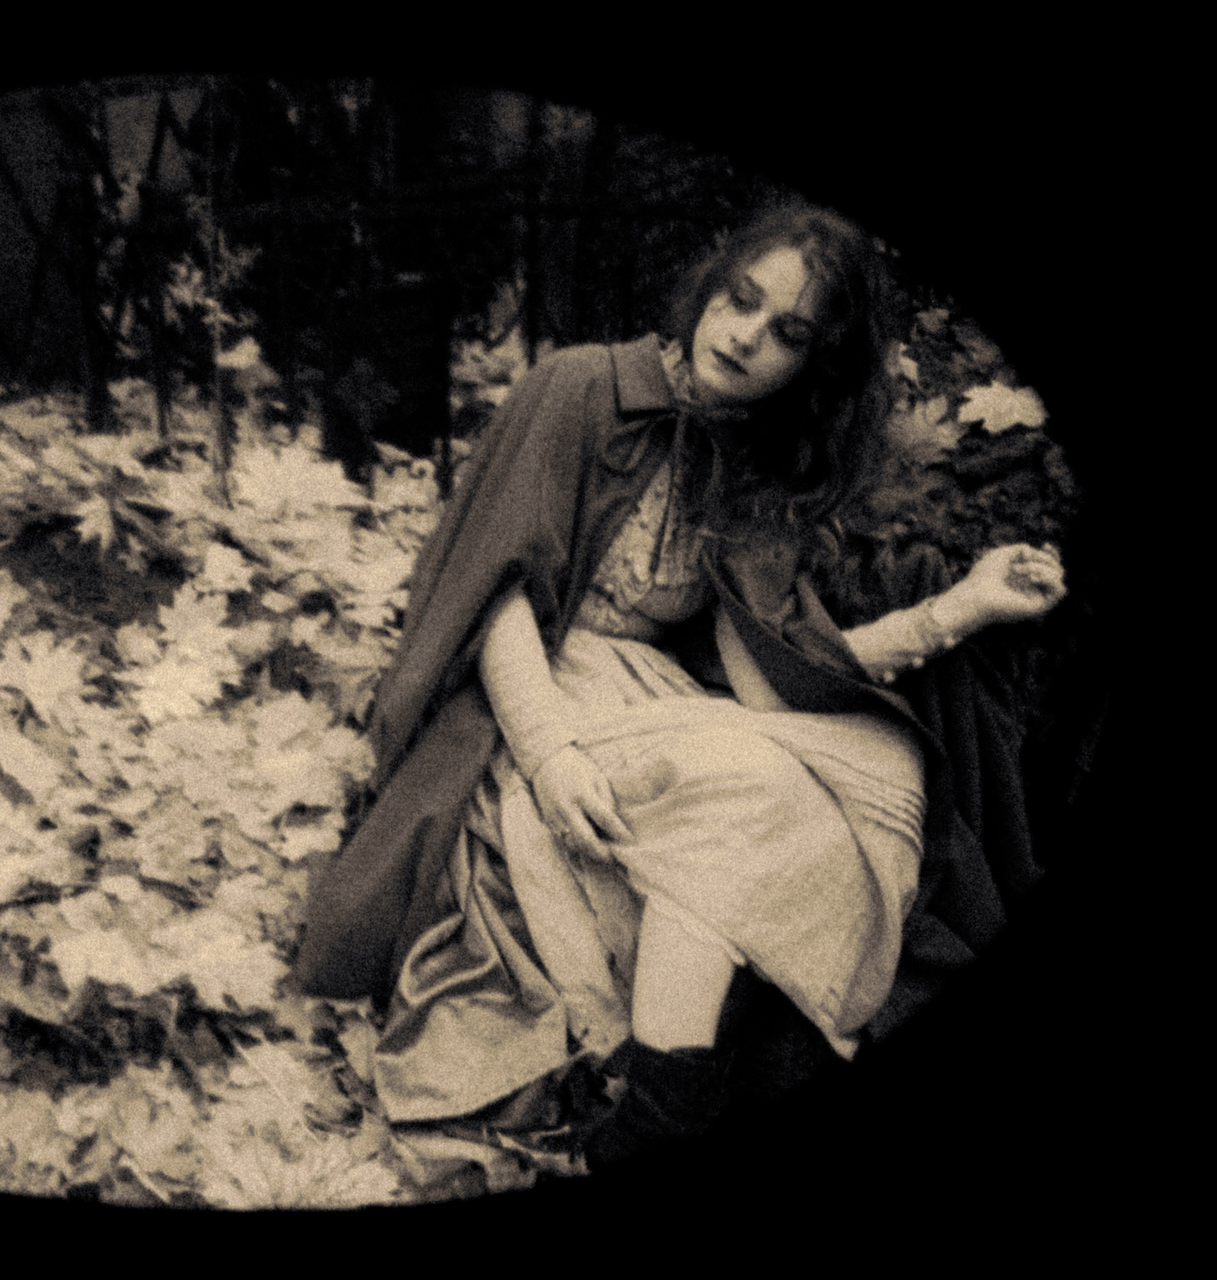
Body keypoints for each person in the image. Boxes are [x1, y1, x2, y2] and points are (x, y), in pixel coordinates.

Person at [292, 201, 1068, 1171]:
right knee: (754, 796)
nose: (745, 337)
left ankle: (661, 1108)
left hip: (652, 703)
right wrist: (551, 755)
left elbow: (778, 679)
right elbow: (500, 599)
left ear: (814, 366)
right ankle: (670, 1099)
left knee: (869, 772)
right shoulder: (580, 386)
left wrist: (963, 605)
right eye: (741, 299)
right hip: (529, 698)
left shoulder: (752, 464)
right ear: (709, 285)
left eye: (788, 333)